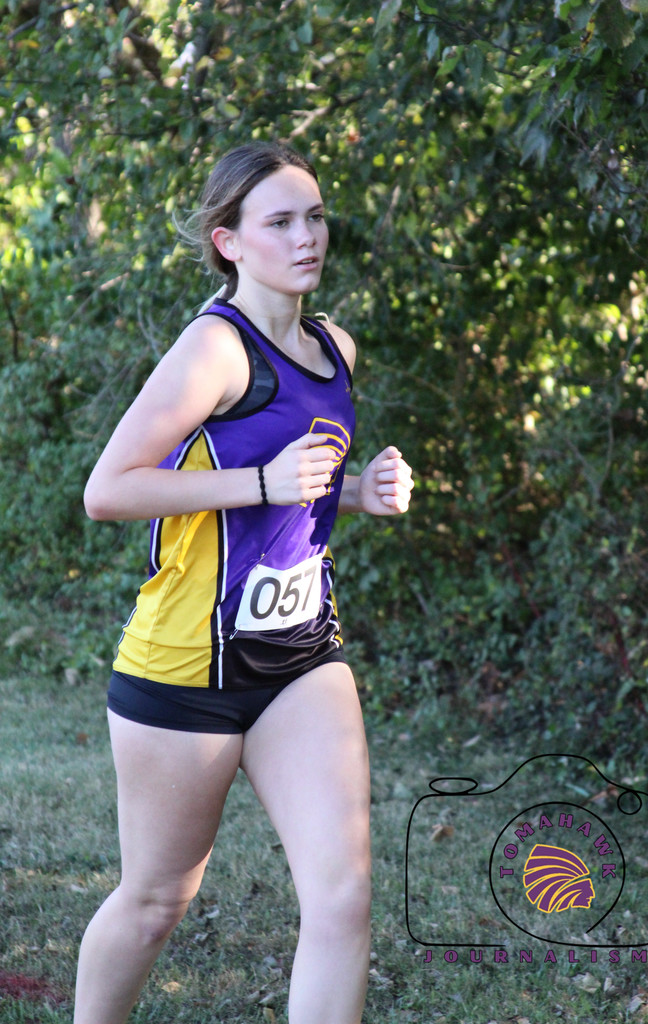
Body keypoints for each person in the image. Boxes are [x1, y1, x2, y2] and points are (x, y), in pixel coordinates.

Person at [75, 141, 413, 1024]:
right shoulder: (214, 351)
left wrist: (359, 492)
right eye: (280, 222)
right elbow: (108, 491)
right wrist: (262, 482)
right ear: (228, 242)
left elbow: (297, 488)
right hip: (185, 666)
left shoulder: (334, 348)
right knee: (157, 900)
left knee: (343, 897)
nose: (307, 238)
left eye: (315, 217)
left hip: (300, 655)